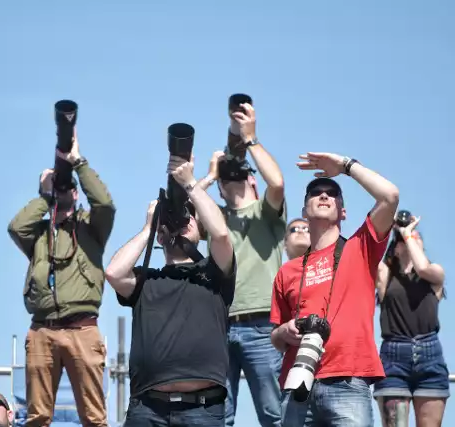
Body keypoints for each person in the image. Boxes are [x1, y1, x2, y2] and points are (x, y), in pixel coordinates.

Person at [105, 153, 236, 426]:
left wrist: (190, 184)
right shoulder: (146, 281)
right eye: (177, 220)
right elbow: (113, 273)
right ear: (161, 235)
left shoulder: (214, 275)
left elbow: (222, 235)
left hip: (204, 408)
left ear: (200, 231)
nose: (184, 222)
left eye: (190, 219)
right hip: (148, 409)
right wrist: (149, 228)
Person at [270, 152, 399, 427]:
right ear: (304, 212)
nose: (324, 195)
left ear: (343, 211)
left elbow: (390, 196)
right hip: (297, 384)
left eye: (333, 193)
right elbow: (277, 337)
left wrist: (345, 167)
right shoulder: (287, 271)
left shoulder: (360, 247)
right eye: (316, 192)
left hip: (348, 382)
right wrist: (284, 331)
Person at [7, 130, 115, 427]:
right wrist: (44, 195)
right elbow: (16, 228)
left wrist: (78, 163)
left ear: (78, 193)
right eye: (60, 186)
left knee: (94, 417)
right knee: (37, 417)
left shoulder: (91, 228)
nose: (64, 190)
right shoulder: (40, 234)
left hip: (82, 328)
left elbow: (105, 204)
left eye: (69, 187)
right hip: (42, 329)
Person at [197, 100, 285, 426]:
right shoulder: (215, 218)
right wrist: (207, 177)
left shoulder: (267, 213)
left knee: (275, 415)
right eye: (225, 177)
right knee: (219, 417)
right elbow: (180, 215)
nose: (232, 177)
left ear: (252, 180)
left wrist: (250, 139)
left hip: (263, 325)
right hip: (220, 325)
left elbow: (277, 183)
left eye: (240, 173)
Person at [373, 214, 449, 427]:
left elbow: (422, 268)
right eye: (402, 239)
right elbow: (374, 251)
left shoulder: (435, 275)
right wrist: (391, 224)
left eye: (416, 237)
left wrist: (407, 234)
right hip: (393, 356)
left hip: (430, 354)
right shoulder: (386, 274)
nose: (409, 239)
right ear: (395, 248)